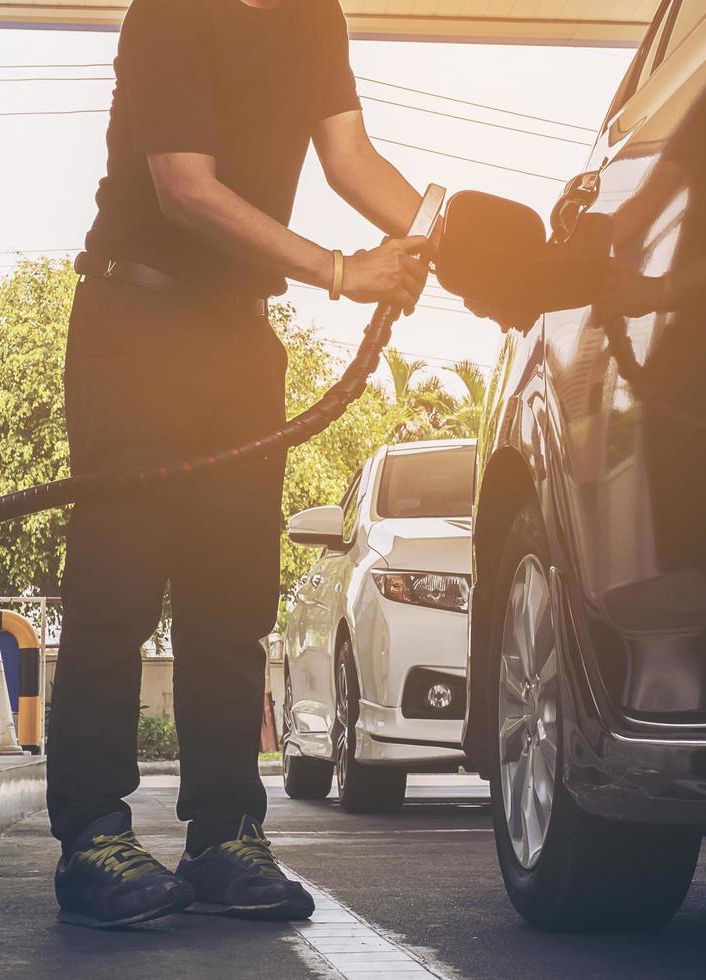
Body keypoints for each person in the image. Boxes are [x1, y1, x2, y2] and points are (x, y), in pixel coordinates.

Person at [49, 0, 429, 930]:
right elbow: (186, 186)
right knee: (118, 592)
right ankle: (94, 838)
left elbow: (350, 160)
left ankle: (224, 837)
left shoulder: (314, 16)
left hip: (236, 342)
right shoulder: (171, 13)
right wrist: (344, 272)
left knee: (230, 601)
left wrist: (464, 245)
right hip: (133, 327)